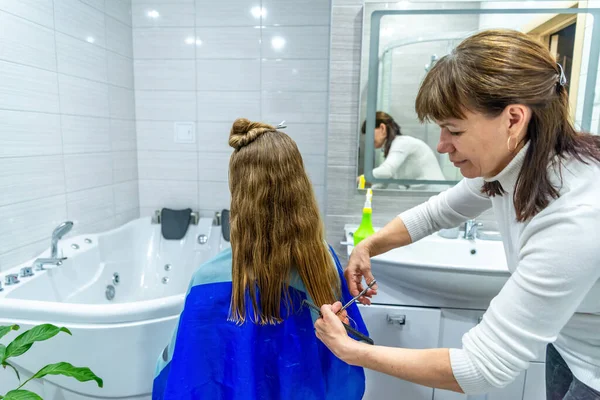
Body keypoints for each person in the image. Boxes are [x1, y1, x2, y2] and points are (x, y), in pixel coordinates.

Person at [315, 29, 600, 399]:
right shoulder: (516, 165)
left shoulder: (576, 218)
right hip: (570, 344)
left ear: (513, 119)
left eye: (454, 130)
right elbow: (437, 213)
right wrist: (368, 246)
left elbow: (481, 369)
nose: (441, 145)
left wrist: (352, 351)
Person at [153, 118, 368, 400]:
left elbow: (180, 372)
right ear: (300, 189)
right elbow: (346, 371)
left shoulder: (207, 279)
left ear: (239, 196)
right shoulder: (322, 262)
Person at [359, 111, 446, 189]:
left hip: (435, 196)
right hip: (426, 196)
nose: (367, 139)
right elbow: (382, 182)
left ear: (382, 128)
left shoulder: (401, 143)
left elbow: (387, 171)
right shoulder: (395, 150)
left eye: (369, 133)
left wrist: (362, 178)